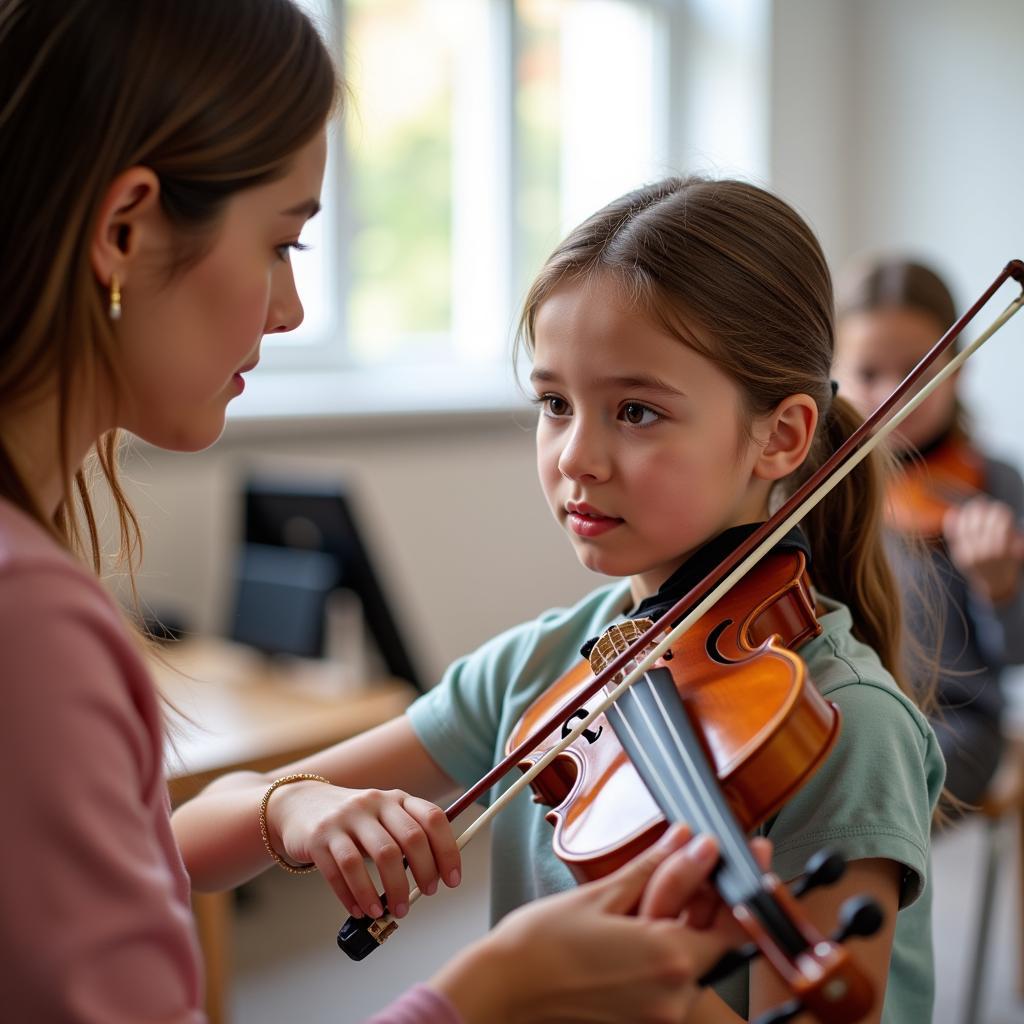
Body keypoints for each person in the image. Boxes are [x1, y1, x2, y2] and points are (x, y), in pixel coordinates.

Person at [0, 2, 755, 1021]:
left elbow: (120, 865)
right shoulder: (29, 620)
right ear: (126, 227)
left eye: (635, 410)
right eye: (282, 243)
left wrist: (287, 804)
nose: (290, 309)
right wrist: (482, 995)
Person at [173, 179, 946, 1023]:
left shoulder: (845, 726)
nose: (577, 455)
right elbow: (176, 847)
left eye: (637, 411)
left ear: (782, 435)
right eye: (554, 403)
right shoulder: (540, 670)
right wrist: (295, 804)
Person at [833, 257, 1024, 806]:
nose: (895, 393)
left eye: (917, 371)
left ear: (956, 367)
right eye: (869, 374)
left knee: (874, 798)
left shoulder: (994, 483)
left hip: (956, 725)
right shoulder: (828, 485)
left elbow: (1014, 657)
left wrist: (1000, 588)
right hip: (849, 710)